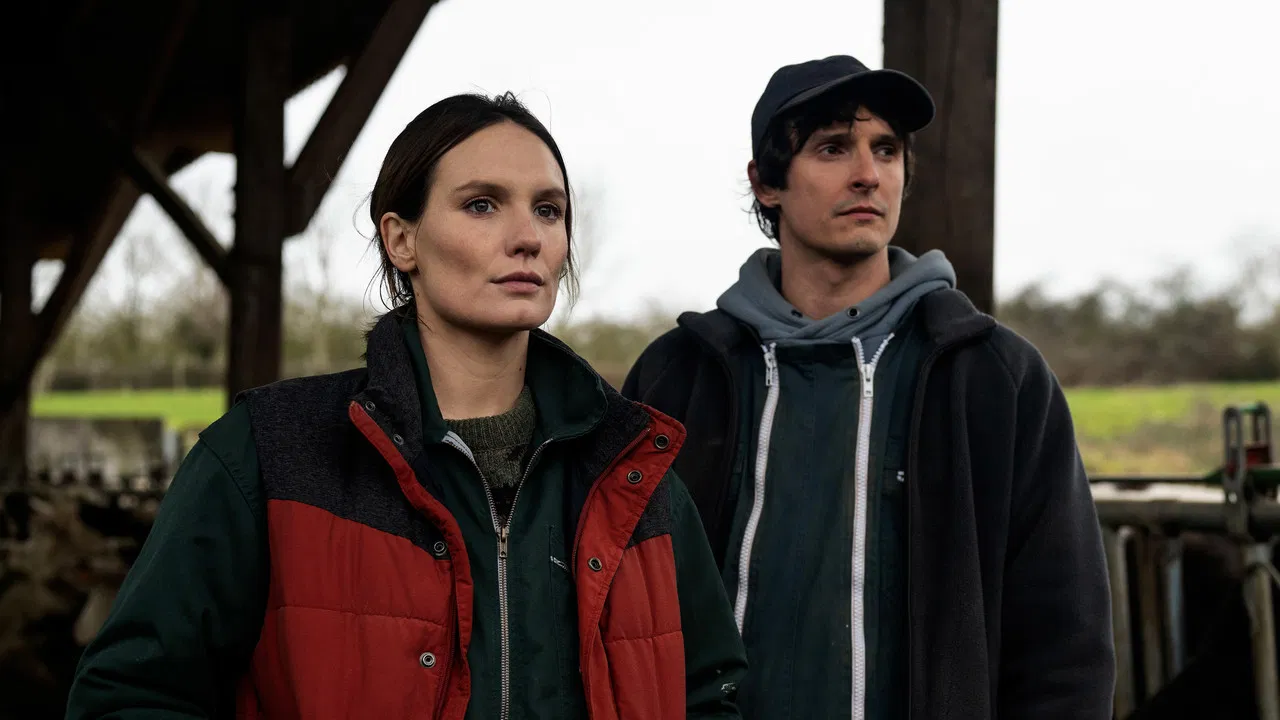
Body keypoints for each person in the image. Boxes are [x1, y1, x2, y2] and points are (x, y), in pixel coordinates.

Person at [65, 92, 748, 719]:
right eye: (482, 205)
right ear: (401, 239)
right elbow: (129, 696)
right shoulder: (270, 452)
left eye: (548, 209)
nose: (529, 237)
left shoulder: (633, 470)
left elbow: (710, 698)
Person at [622, 55, 1115, 719]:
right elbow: (616, 612)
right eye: (833, 148)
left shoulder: (994, 378)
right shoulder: (680, 376)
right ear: (765, 183)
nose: (868, 174)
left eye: (886, 150)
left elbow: (1065, 644)